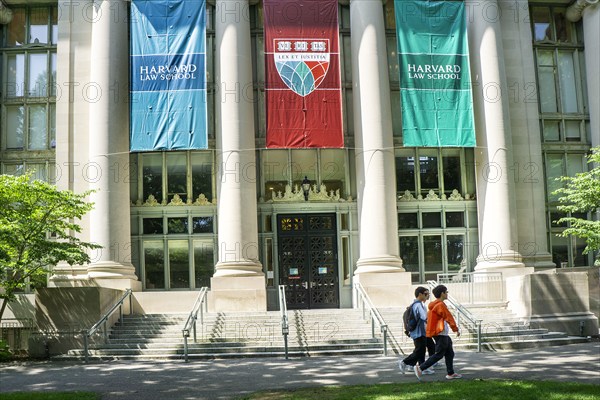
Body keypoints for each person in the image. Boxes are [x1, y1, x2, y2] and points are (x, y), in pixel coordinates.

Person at [415, 284, 462, 380]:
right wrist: (455, 329)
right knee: (439, 354)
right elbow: (448, 317)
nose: (447, 294)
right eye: (446, 292)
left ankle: (450, 373)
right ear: (442, 293)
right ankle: (421, 368)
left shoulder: (434, 305)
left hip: (440, 333)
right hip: (441, 333)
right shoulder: (440, 305)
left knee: (449, 353)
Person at [398, 287, 435, 375]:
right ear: (420, 294)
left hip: (418, 331)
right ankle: (404, 362)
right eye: (425, 294)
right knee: (419, 350)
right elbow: (424, 317)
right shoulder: (418, 305)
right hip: (418, 332)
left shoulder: (416, 304)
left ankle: (422, 368)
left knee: (421, 350)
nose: (427, 296)